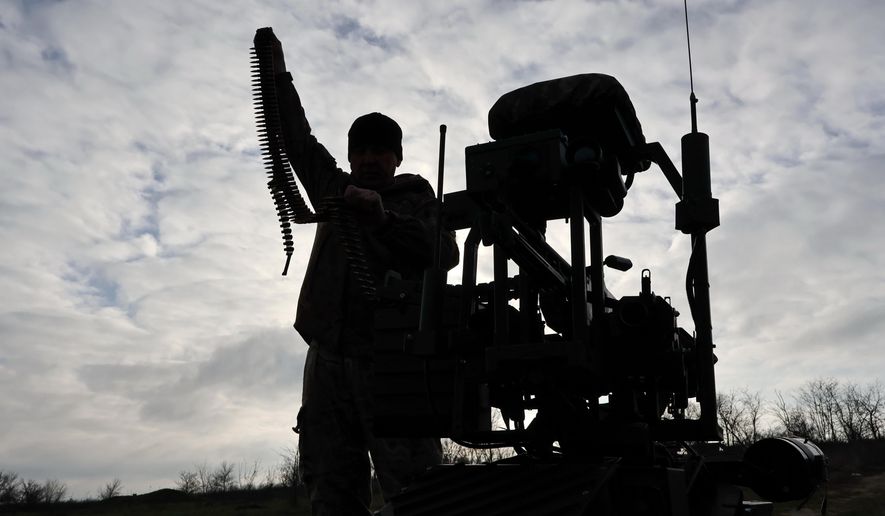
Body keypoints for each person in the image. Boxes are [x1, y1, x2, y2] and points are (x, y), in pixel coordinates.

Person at [270, 38, 459, 516]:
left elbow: (445, 253)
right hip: (327, 361)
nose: (371, 159)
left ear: (396, 156)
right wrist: (279, 74)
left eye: (381, 151)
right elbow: (298, 142)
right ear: (352, 156)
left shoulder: (417, 199)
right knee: (330, 490)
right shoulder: (335, 190)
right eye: (363, 151)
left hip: (392, 363)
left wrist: (384, 221)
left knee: (416, 490)